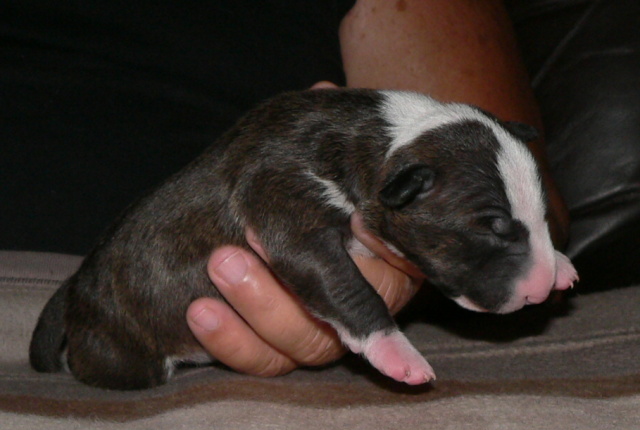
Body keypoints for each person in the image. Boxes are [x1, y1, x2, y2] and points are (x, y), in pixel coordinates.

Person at [2, 0, 571, 376]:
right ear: (404, 188)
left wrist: (537, 244)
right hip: (114, 314)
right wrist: (373, 328)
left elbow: (500, 185)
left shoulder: (395, 159)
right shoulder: (298, 164)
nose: (537, 284)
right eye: (497, 228)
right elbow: (309, 240)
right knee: (123, 373)